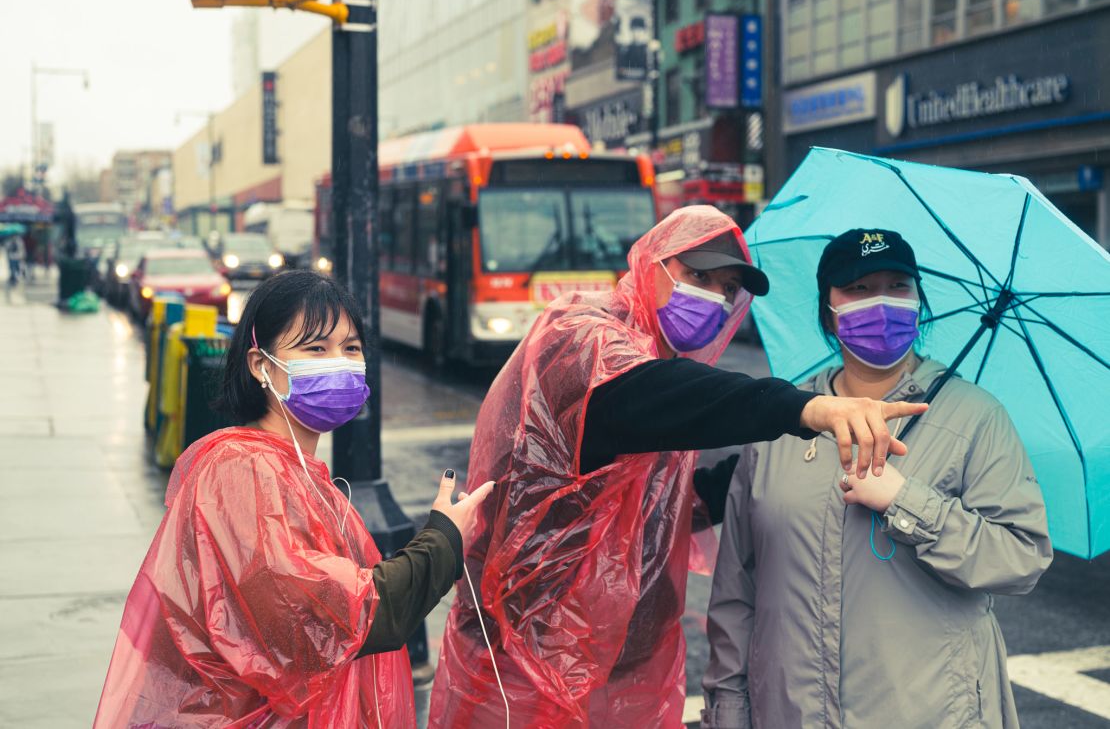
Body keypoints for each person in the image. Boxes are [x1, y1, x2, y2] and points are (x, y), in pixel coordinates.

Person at [429, 207, 928, 727]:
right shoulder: (583, 335)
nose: (715, 296)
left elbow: (652, 506)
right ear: (652, 266)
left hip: (623, 667)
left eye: (730, 287)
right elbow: (650, 400)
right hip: (523, 661)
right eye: (698, 276)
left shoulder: (659, 358)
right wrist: (806, 409)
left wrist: (763, 470)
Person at [94, 270, 494, 728]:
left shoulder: (290, 469)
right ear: (261, 365)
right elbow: (327, 620)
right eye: (315, 349)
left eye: (351, 348)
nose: (339, 363)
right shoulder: (243, 471)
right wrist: (443, 539)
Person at [701, 229, 1052, 729]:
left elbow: (1021, 558)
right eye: (859, 289)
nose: (881, 302)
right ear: (828, 310)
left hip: (931, 713)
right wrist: (728, 714)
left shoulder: (975, 417)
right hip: (791, 713)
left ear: (918, 301)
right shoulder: (779, 420)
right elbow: (737, 590)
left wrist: (906, 502)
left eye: (897, 285)